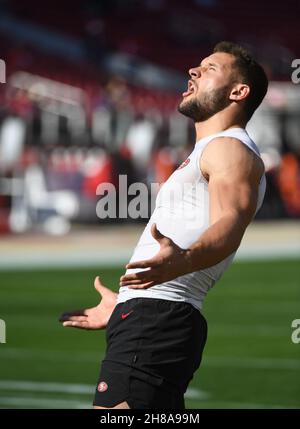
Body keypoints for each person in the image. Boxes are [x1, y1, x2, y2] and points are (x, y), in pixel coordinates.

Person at [60, 41, 268, 409]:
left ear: (239, 92)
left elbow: (230, 223)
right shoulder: (209, 150)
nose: (193, 71)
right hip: (149, 314)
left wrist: (183, 261)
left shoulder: (229, 149)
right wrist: (128, 298)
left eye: (210, 68)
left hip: (158, 318)